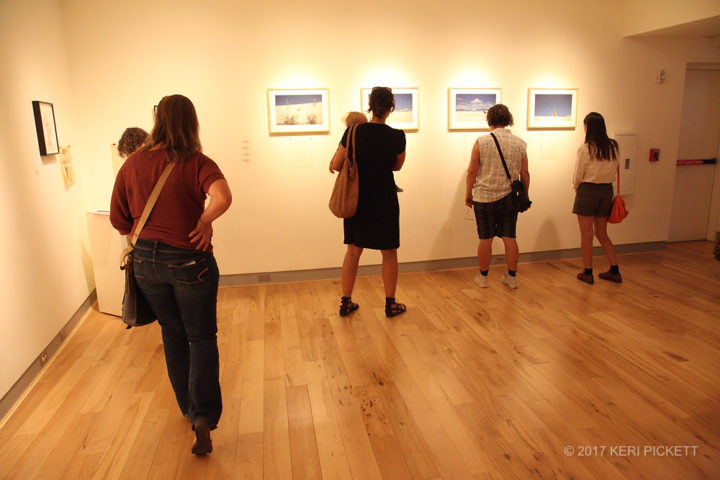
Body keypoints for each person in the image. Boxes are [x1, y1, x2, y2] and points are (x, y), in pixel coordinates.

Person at [110, 94, 232, 455]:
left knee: (173, 334)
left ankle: (187, 408)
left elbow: (119, 219)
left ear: (157, 120)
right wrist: (203, 221)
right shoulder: (196, 161)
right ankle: (204, 416)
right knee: (202, 337)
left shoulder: (132, 164)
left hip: (147, 264)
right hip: (189, 261)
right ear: (191, 122)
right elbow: (223, 197)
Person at [329, 87, 407, 317]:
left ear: (370, 106)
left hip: (357, 199)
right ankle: (390, 304)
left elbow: (335, 163)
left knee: (353, 250)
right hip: (384, 198)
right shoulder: (397, 136)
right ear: (391, 108)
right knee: (389, 252)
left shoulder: (353, 132)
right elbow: (397, 166)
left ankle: (346, 302)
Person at [465, 104, 530, 289]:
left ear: (490, 120)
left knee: (486, 238)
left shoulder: (481, 142)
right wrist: (525, 194)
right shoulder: (520, 143)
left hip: (484, 197)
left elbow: (472, 170)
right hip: (509, 197)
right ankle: (512, 277)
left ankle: (483, 277)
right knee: (510, 237)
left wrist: (468, 193)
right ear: (508, 119)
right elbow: (525, 173)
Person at [572, 112, 622, 284]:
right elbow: (615, 169)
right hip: (606, 191)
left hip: (588, 190)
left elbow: (578, 175)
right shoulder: (613, 146)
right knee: (602, 233)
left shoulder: (586, 148)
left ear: (588, 127)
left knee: (587, 235)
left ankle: (588, 272)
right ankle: (614, 269)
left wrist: (576, 188)